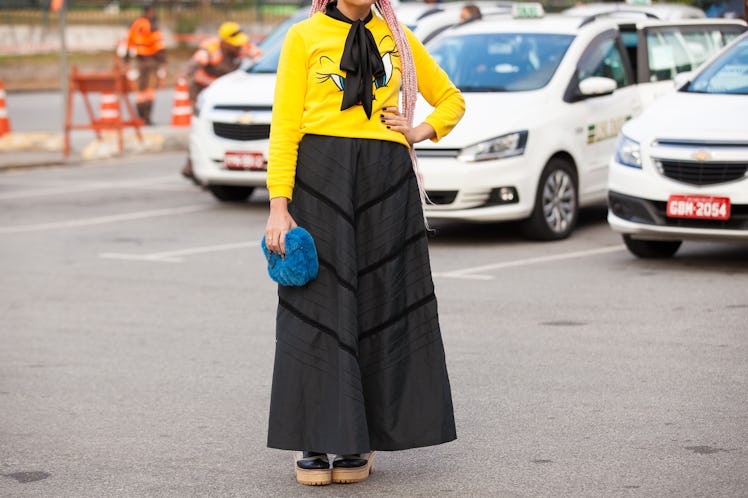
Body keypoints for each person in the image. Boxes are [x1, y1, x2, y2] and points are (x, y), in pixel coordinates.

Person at [263, 0, 465, 487]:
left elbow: (452, 99)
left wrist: (420, 130)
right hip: (320, 179)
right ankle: (313, 437)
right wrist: (278, 204)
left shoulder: (398, 35)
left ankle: (360, 438)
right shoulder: (303, 37)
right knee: (317, 307)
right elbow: (285, 126)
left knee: (380, 307)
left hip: (386, 184)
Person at [180, 21, 262, 182]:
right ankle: (192, 167)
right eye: (234, 45)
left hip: (225, 94)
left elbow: (260, 56)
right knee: (201, 128)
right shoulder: (211, 49)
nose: (238, 48)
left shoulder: (242, 47)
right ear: (224, 42)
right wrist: (185, 74)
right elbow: (194, 65)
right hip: (202, 92)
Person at [123, 2, 167, 125]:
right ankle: (147, 118)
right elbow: (159, 46)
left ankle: (140, 117)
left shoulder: (136, 24)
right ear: (150, 11)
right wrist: (163, 62)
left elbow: (129, 42)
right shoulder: (152, 26)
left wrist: (126, 61)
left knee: (140, 91)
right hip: (151, 61)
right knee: (150, 91)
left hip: (139, 62)